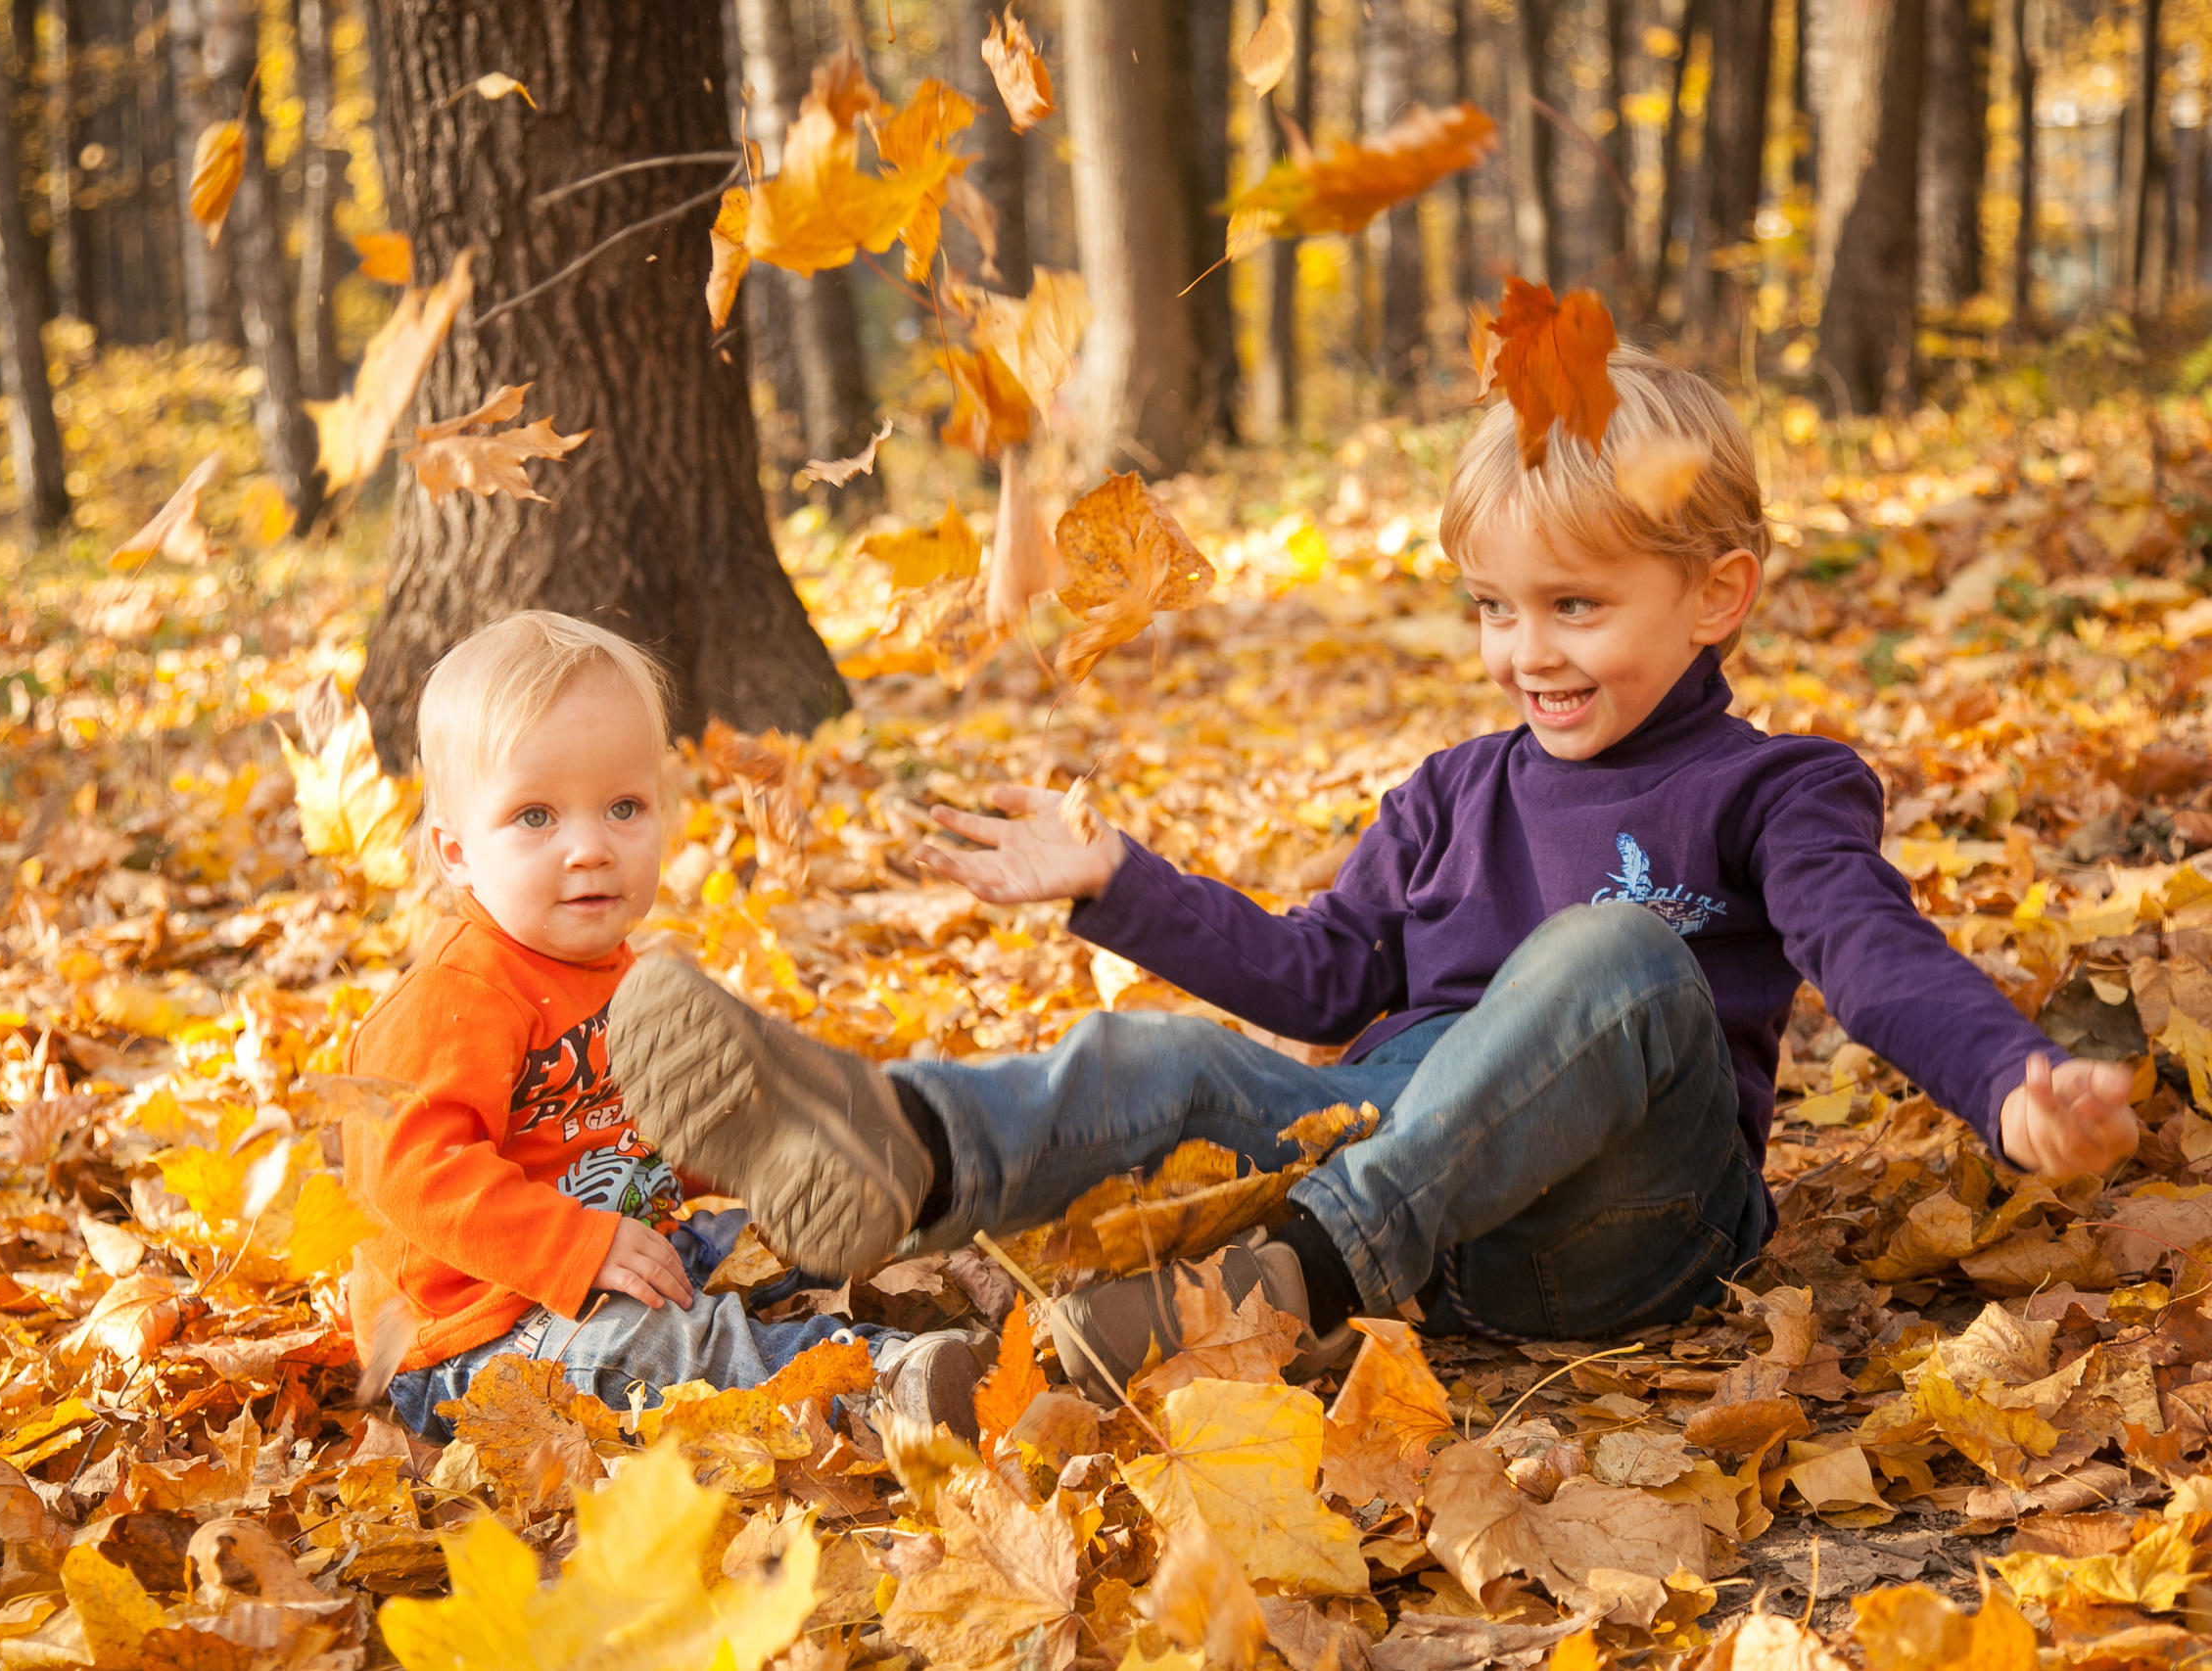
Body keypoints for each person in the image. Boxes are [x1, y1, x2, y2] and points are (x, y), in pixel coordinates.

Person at [607, 350, 2141, 1400]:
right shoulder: (1450, 791)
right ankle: (907, 1147)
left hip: (1626, 1226)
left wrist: (2007, 1077)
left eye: (1576, 603)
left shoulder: (1774, 786)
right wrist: (1118, 878)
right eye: (1494, 604)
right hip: (1400, 1181)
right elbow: (1315, 976)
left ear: (1718, 593)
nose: (1527, 648)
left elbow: (1869, 950)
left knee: (1613, 954)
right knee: (1175, 1054)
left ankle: (1300, 1274)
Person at [342, 611, 984, 1442]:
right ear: (456, 850)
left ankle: (955, 1287)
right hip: (481, 1331)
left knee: (782, 1231)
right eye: (536, 816)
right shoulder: (453, 997)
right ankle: (872, 1382)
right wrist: (575, 1243)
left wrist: (744, 1157)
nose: (589, 848)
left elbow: (638, 1127)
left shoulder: (624, 974)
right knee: (660, 1351)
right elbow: (408, 1173)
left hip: (638, 1241)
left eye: (622, 806)